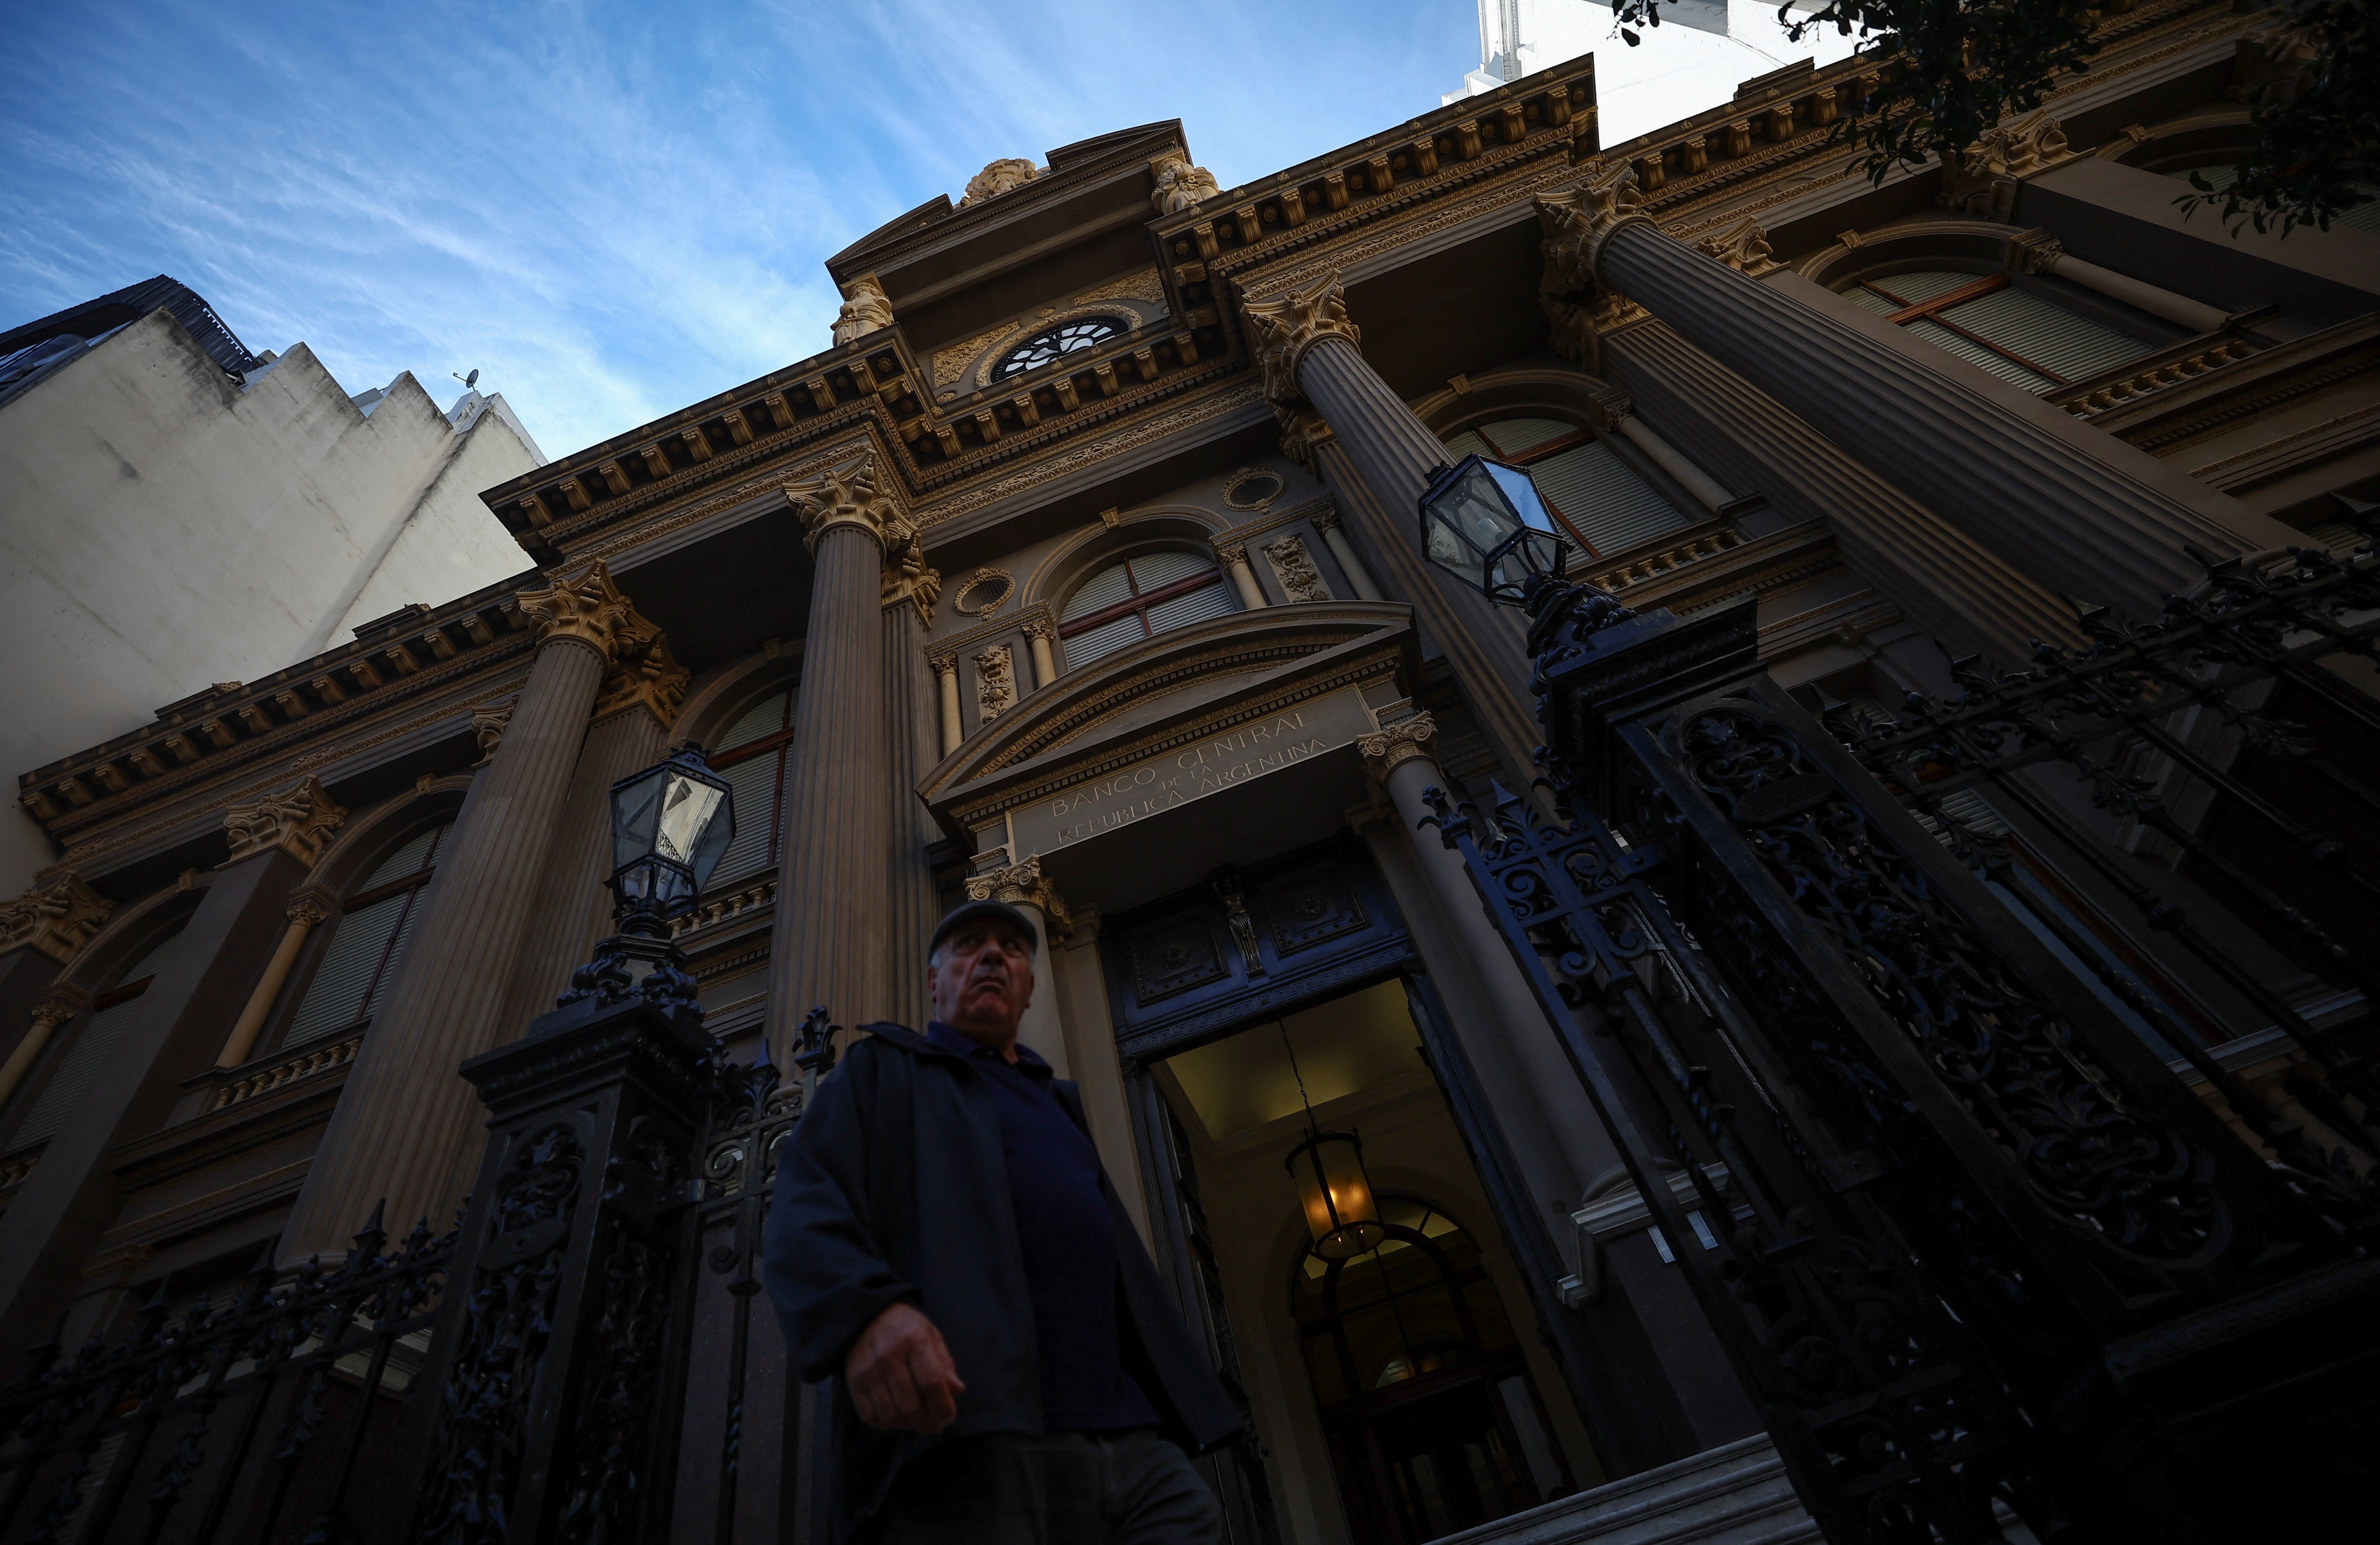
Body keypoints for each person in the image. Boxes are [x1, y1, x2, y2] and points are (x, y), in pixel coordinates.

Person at [765, 898, 1243, 1544]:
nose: (992, 954)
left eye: (1011, 948)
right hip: (975, 1434)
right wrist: (864, 1314)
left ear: (1029, 989)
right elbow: (804, 1201)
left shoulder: (1059, 1102)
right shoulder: (885, 1072)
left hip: (1128, 1434)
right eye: (969, 945)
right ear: (933, 983)